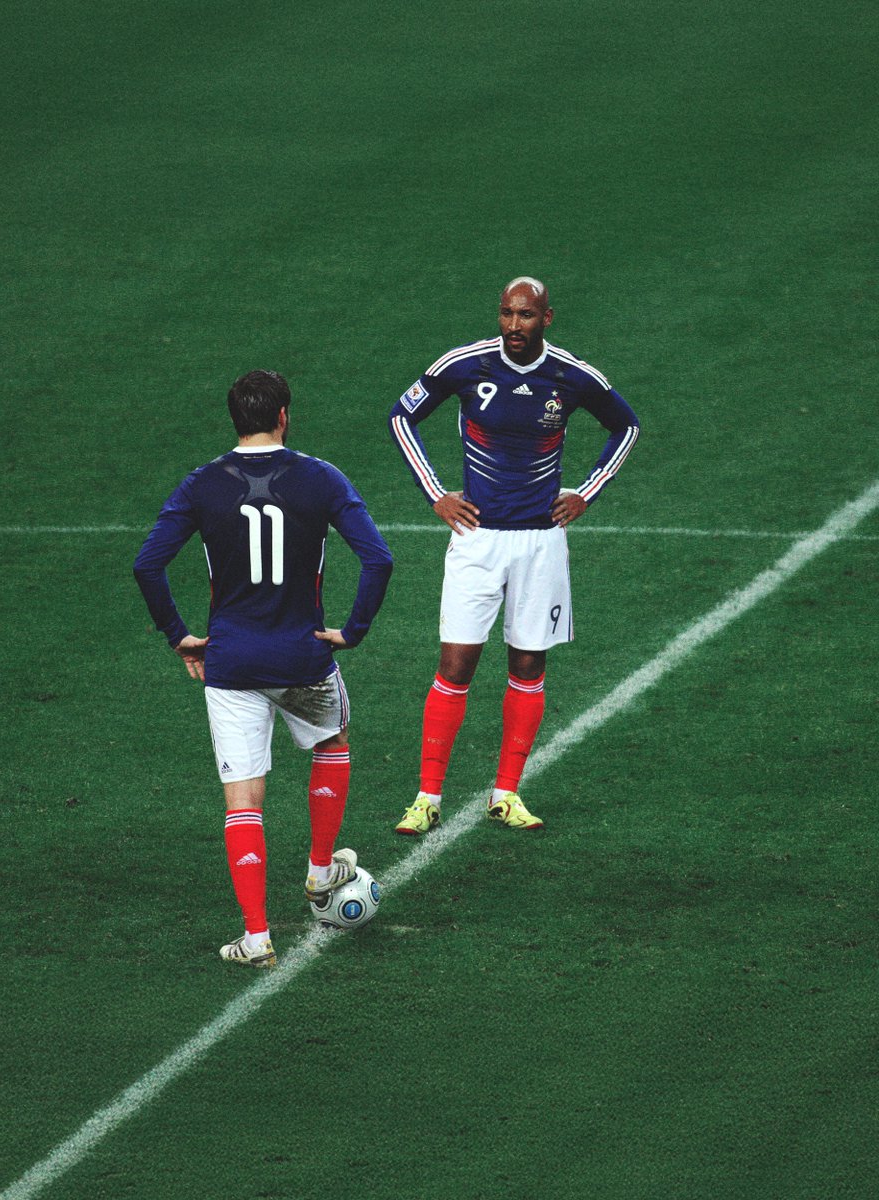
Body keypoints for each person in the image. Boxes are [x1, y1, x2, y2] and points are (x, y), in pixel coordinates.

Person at [134, 370, 393, 967]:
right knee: (332, 742)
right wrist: (351, 631)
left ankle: (256, 939)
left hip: (230, 662)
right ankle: (320, 873)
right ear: (284, 416)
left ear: (236, 419)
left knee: (243, 800)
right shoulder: (321, 478)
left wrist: (181, 638)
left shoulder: (201, 485)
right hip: (304, 656)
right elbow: (378, 559)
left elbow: (148, 566)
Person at [388, 276, 639, 834]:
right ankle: (428, 797)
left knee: (528, 664)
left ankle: (506, 793)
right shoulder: (465, 364)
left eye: (525, 316)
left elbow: (626, 425)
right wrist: (436, 493)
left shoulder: (571, 377)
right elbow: (400, 416)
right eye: (506, 313)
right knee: (456, 665)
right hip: (477, 540)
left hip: (540, 543)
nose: (512, 326)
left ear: (547, 318)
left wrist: (586, 491)